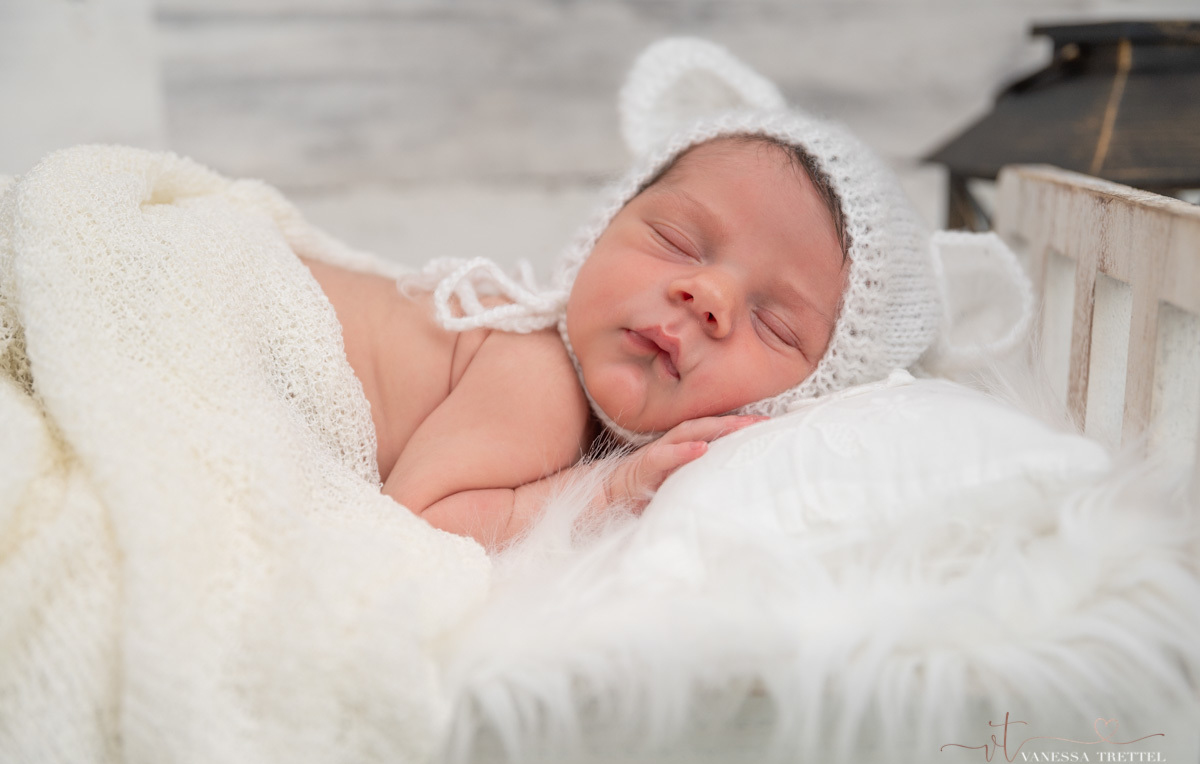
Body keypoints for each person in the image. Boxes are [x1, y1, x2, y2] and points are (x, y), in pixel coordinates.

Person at [304, 39, 943, 550]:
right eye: (676, 241)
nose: (706, 293)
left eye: (773, 324)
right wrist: (610, 491)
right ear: (602, 230)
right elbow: (414, 525)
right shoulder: (539, 374)